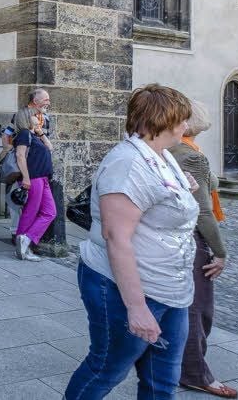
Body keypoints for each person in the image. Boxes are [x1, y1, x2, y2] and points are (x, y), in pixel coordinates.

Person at [65, 84, 198, 400]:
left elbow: (156, 200)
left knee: (162, 381)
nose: (186, 127)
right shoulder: (128, 163)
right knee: (106, 369)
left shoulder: (162, 155)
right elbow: (116, 238)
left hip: (168, 286)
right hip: (126, 287)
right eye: (182, 120)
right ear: (163, 120)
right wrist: (136, 308)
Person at [168, 101, 236, 399]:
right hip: (192, 238)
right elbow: (203, 211)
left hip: (168, 237)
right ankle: (194, 372)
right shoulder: (189, 154)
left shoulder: (169, 149)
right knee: (198, 309)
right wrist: (220, 252)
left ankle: (174, 364)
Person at [10, 106, 55, 262]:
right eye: (35, 115)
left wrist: (40, 131)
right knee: (30, 212)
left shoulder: (33, 135)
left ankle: (26, 240)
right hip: (33, 178)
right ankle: (23, 247)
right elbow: (20, 156)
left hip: (43, 178)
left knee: (50, 212)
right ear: (27, 117)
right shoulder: (23, 134)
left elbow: (50, 147)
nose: (38, 117)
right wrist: (26, 178)